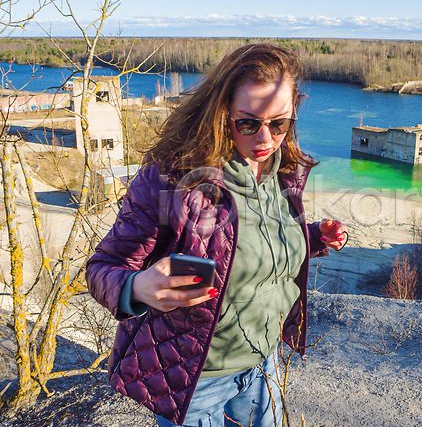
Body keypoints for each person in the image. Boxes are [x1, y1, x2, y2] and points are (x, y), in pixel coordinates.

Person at [85, 43, 348, 427]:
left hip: (264, 363)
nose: (265, 139)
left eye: (279, 123)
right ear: (221, 112)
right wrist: (138, 288)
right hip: (197, 379)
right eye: (248, 123)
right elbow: (101, 268)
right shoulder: (172, 177)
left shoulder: (283, 170)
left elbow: (245, 247)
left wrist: (311, 238)